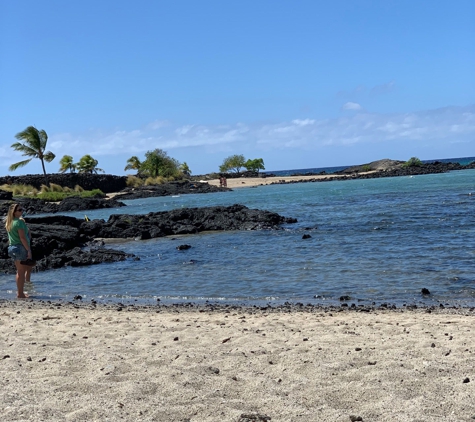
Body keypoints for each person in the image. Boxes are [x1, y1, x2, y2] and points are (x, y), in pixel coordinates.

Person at [5, 203, 32, 298]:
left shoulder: (9, 222)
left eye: (22, 210)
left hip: (12, 248)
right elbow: (22, 238)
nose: (22, 211)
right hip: (20, 248)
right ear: (14, 212)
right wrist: (28, 250)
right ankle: (20, 293)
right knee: (21, 272)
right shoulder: (19, 222)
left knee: (19, 271)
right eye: (19, 210)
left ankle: (20, 292)